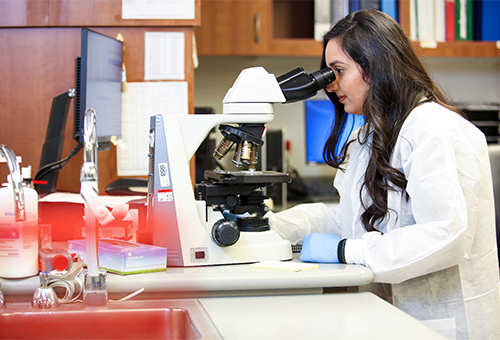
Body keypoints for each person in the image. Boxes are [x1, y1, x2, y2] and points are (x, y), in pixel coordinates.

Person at [268, 9, 500, 340]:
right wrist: (274, 227)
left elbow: (445, 234)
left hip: (442, 321)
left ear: (375, 65)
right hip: (388, 316)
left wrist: (346, 251)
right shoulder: (367, 138)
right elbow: (350, 220)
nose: (330, 85)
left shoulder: (433, 129)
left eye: (338, 70)